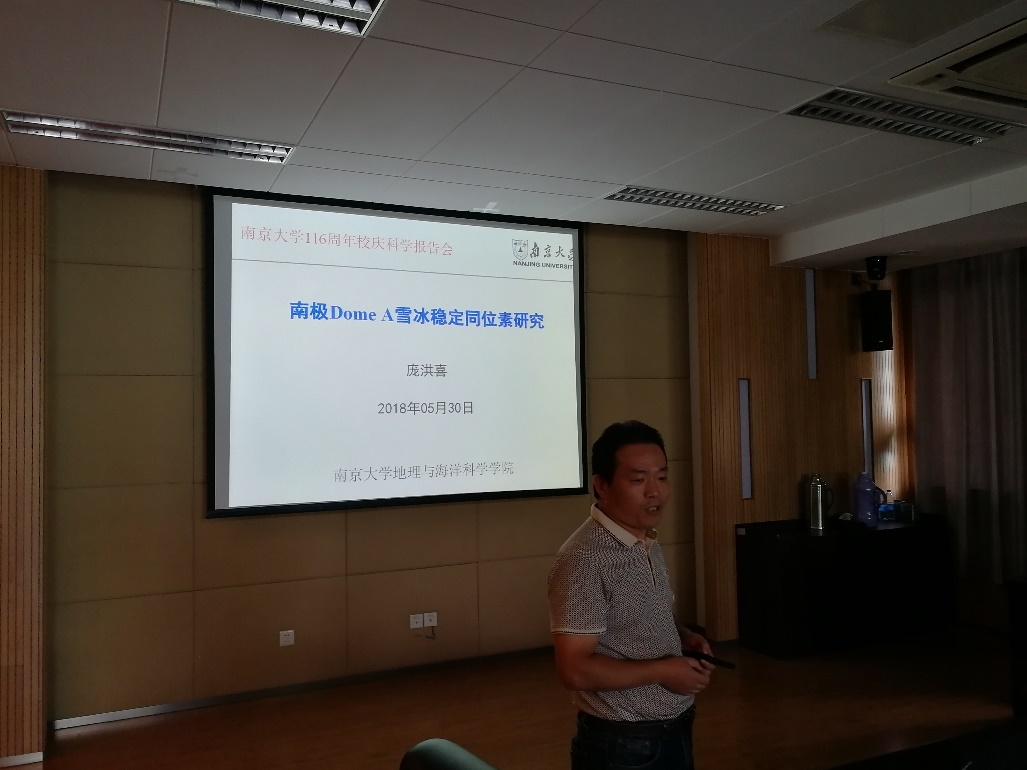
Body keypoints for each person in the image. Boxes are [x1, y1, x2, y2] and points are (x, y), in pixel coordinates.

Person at [547, 420, 714, 770]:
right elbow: (575, 670)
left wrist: (683, 637)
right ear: (601, 485)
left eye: (662, 477)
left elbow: (642, 614)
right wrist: (665, 671)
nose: (655, 492)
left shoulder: (644, 538)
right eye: (638, 480)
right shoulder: (585, 559)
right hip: (624, 744)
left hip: (671, 729)